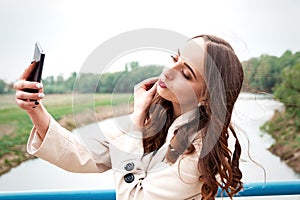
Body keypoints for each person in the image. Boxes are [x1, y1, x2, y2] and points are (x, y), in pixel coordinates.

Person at [14, 34, 244, 200]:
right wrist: (35, 109)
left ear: (207, 97)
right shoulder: (153, 118)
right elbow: (84, 154)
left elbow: (134, 197)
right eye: (174, 59)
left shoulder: (199, 149)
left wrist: (134, 122)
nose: (168, 71)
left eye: (185, 73)